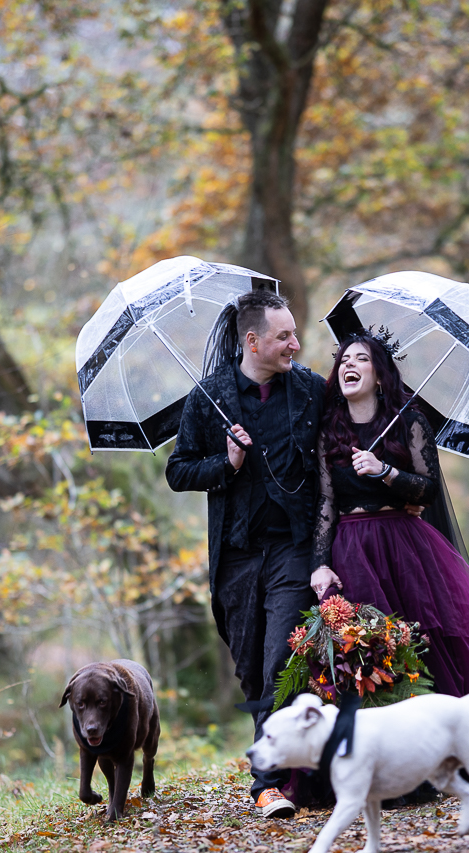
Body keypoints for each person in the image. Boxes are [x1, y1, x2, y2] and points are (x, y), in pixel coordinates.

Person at [310, 330, 469, 787]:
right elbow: (324, 504)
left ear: (379, 373)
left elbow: (428, 488)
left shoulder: (409, 419)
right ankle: (385, 772)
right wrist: (320, 563)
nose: (348, 366)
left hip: (405, 545)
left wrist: (385, 472)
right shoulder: (330, 429)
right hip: (351, 548)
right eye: (343, 359)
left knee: (425, 648)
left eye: (360, 359)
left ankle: (448, 759)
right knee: (364, 656)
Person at [165, 289, 325, 819]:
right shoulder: (207, 399)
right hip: (235, 556)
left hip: (292, 549)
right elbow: (178, 470)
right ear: (252, 341)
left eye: (295, 334)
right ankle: (278, 766)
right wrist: (227, 462)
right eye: (284, 337)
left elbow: (339, 446)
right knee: (252, 671)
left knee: (281, 658)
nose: (295, 345)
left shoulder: (307, 391)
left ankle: (267, 784)